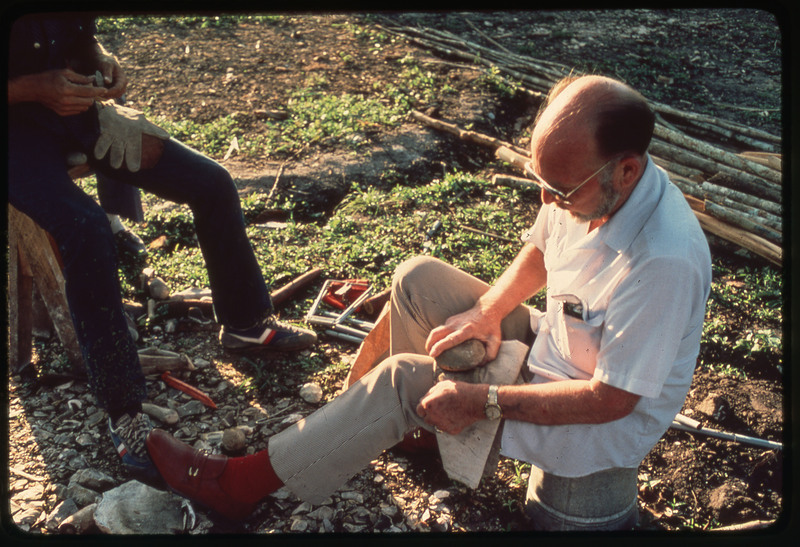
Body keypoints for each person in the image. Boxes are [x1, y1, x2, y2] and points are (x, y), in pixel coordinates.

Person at [145, 74, 712, 530]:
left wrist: (484, 400)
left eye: (558, 191)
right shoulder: (588, 183)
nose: (546, 200)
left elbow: (611, 400)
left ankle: (236, 487)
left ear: (628, 168)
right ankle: (375, 428)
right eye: (538, 181)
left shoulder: (663, 260)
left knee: (403, 382)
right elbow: (542, 251)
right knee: (418, 280)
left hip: (593, 414)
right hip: (559, 344)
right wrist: (487, 311)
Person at [7, 13, 316, 482]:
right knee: (85, 228)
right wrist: (33, 87)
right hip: (12, 139)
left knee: (212, 182)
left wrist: (103, 63)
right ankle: (123, 412)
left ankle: (245, 323)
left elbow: (78, 36)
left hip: (73, 115)